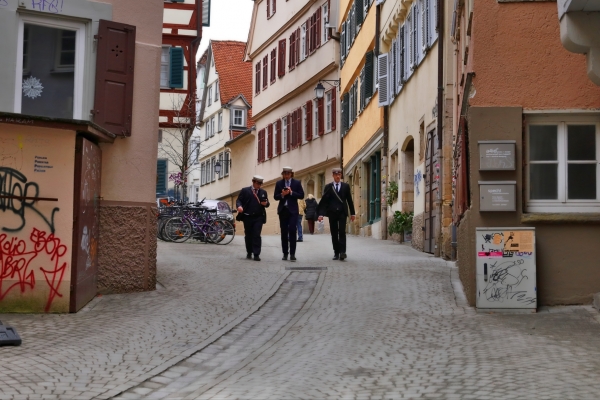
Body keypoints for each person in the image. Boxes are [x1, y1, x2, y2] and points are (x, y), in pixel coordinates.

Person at [317, 167, 356, 261]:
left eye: (339, 175)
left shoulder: (345, 186)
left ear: (341, 175)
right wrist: (321, 214)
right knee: (334, 233)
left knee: (342, 232)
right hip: (332, 213)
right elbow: (324, 201)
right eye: (336, 175)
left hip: (342, 212)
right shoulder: (328, 187)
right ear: (333, 175)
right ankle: (336, 252)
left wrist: (353, 213)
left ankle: (343, 252)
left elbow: (349, 200)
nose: (338, 176)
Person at [274, 166, 304, 261]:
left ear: (291, 174)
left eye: (288, 174)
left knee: (292, 230)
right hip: (283, 210)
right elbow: (275, 196)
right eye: (284, 174)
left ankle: (292, 253)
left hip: (293, 211)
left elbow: (301, 195)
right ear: (283, 174)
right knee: (284, 232)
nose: (286, 175)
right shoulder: (279, 183)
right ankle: (285, 253)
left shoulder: (296, 183)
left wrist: (291, 193)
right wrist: (282, 194)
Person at [236, 175, 270, 261]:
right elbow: (239, 200)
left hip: (258, 217)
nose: (259, 185)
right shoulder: (245, 190)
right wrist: (239, 206)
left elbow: (267, 203)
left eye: (260, 184)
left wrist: (266, 204)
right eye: (257, 183)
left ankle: (256, 254)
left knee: (256, 235)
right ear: (253, 182)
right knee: (248, 235)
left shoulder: (263, 192)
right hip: (247, 216)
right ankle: (249, 251)